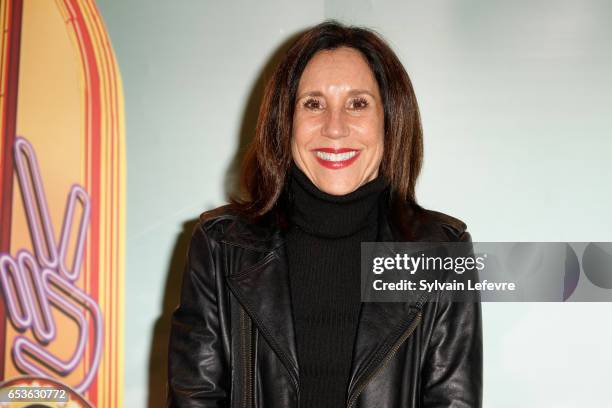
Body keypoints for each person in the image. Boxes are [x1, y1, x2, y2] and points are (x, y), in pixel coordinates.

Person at [167, 20, 482, 408]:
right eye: (313, 103)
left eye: (358, 103)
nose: (335, 128)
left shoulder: (440, 253)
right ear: (286, 123)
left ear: (390, 120)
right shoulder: (221, 247)